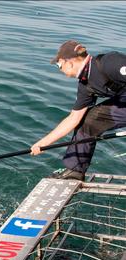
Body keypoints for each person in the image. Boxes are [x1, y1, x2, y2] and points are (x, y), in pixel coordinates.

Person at [30, 40, 126, 181]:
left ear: (69, 62)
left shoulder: (110, 62)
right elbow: (73, 119)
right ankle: (75, 171)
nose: (59, 69)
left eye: (58, 64)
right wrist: (43, 143)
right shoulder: (85, 85)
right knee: (88, 120)